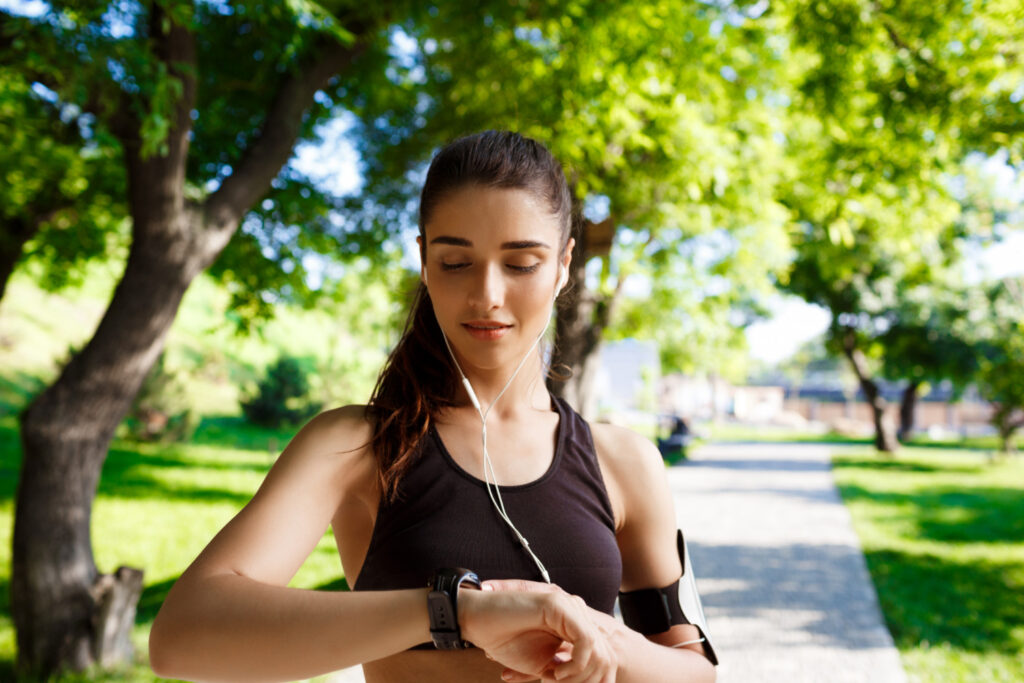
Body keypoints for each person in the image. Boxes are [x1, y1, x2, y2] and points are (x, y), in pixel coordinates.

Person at [149, 131, 717, 683]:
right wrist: (458, 611)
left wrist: (592, 635)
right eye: (455, 262)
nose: (487, 294)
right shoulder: (358, 446)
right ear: (424, 260)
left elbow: (696, 672)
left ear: (564, 265)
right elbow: (181, 639)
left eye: (521, 263)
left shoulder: (623, 461)